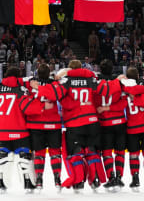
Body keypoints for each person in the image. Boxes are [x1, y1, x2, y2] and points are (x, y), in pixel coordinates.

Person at [31, 60, 123, 192]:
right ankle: (95, 179)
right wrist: (118, 81)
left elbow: (54, 93)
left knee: (76, 153)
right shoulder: (91, 79)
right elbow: (106, 89)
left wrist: (38, 87)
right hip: (92, 122)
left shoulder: (67, 80)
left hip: (75, 124)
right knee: (92, 151)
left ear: (70, 69)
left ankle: (78, 182)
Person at [0, 66, 36, 193]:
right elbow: (28, 110)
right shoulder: (21, 90)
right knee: (24, 157)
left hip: (0, 132)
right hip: (20, 131)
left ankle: (0, 182)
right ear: (18, 77)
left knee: (2, 157)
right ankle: (28, 183)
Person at [22, 64, 62, 191]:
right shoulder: (55, 84)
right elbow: (58, 95)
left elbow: (22, 82)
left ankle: (39, 179)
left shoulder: (31, 83)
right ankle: (57, 178)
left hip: (35, 123)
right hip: (53, 123)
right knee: (55, 152)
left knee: (39, 153)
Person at [94, 59, 128, 192]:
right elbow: (124, 103)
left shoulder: (97, 83)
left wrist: (104, 109)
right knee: (120, 151)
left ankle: (111, 177)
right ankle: (119, 177)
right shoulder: (119, 82)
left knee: (107, 152)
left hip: (105, 123)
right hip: (119, 122)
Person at [123, 67, 144, 191]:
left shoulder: (125, 90)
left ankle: (135, 179)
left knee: (133, 155)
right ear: (138, 76)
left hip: (132, 128)